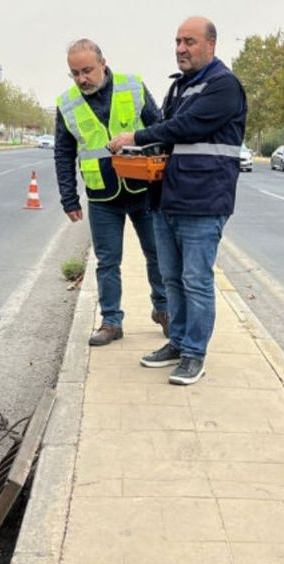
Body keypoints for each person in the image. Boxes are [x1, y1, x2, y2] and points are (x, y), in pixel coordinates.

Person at [107, 16, 247, 385]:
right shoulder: (180, 86)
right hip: (167, 198)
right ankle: (179, 342)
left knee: (195, 280)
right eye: (178, 42)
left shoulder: (224, 85)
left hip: (203, 201)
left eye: (189, 41)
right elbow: (167, 134)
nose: (181, 49)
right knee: (172, 278)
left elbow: (185, 127)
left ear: (211, 44)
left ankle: (194, 354)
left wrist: (135, 137)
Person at [55, 39, 168, 347]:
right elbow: (63, 154)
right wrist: (69, 198)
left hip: (143, 189)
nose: (82, 79)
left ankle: (164, 309)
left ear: (103, 63)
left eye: (87, 70)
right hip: (102, 196)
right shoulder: (67, 104)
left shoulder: (132, 86)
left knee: (157, 254)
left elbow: (160, 128)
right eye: (75, 73)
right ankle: (111, 321)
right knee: (107, 261)